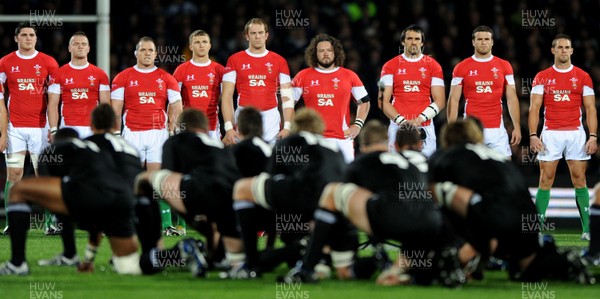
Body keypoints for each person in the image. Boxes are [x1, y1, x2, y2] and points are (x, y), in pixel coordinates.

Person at [282, 119, 465, 287]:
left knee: (332, 192)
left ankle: (308, 268)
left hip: (393, 217)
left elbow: (343, 212)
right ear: (388, 144)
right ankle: (411, 269)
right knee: (415, 238)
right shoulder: (409, 162)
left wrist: (336, 249)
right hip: (431, 221)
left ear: (362, 146)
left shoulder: (362, 162)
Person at [428, 119, 594, 284]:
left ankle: (458, 258)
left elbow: (431, 192)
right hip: (527, 217)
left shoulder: (446, 156)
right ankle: (563, 264)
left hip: (493, 218)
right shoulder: (496, 156)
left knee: (437, 191)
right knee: (528, 268)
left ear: (447, 139)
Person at [0, 128, 141, 275]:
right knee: (129, 266)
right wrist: (88, 259)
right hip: (122, 201)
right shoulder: (94, 149)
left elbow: (52, 190)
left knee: (18, 191)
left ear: (58, 140)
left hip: (88, 197)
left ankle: (18, 263)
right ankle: (158, 257)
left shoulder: (54, 150)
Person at [231, 108, 346, 278]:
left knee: (243, 188)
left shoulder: (292, 141)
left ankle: (251, 264)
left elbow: (271, 179)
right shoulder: (334, 147)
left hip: (302, 195)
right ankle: (317, 256)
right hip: (334, 204)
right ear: (320, 126)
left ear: (296, 126)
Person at [133, 108, 245, 274]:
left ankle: (154, 250)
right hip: (232, 202)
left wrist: (191, 216)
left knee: (143, 181)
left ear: (181, 126)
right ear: (206, 128)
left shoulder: (176, 141)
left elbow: (169, 176)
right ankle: (202, 253)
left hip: (196, 190)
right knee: (220, 257)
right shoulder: (221, 147)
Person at [111, 36, 184, 236]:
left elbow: (177, 106)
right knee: (129, 180)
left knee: (157, 180)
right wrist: (116, 134)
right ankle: (126, 221)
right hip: (132, 133)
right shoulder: (122, 77)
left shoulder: (166, 78)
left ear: (155, 53)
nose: (147, 53)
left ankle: (166, 224)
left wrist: (172, 128)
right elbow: (116, 109)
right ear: (136, 53)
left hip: (157, 134)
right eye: (143, 50)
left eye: (150, 50)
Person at [528, 33, 597, 241]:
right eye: (560, 47)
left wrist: (593, 136)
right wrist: (532, 134)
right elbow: (534, 108)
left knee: (580, 179)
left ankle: (587, 230)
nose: (564, 51)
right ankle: (538, 230)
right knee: (545, 180)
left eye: (567, 47)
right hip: (551, 132)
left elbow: (590, 109)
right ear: (553, 50)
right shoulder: (542, 76)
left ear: (572, 51)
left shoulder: (583, 76)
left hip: (576, 132)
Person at [0, 22, 59, 235]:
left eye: (31, 35)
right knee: (14, 174)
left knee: (42, 175)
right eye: (24, 35)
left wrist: (53, 129)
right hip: (15, 128)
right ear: (16, 38)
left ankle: (50, 223)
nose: (28, 38)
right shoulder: (5, 63)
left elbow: (54, 101)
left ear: (36, 38)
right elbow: (0, 101)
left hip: (40, 129)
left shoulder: (49, 63)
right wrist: (3, 132)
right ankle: (11, 223)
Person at [291, 33, 371, 163]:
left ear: (336, 52)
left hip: (342, 139)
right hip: (313, 138)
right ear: (314, 53)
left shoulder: (349, 75)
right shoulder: (303, 76)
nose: (325, 53)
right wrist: (291, 127)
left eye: (329, 50)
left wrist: (357, 125)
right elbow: (287, 103)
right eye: (321, 51)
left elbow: (365, 102)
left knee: (344, 178)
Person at [447, 25, 521, 158]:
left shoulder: (504, 66)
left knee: (503, 170)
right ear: (473, 42)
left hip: (497, 131)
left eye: (487, 39)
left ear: (492, 42)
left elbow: (511, 98)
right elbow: (453, 99)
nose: (483, 42)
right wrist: (452, 129)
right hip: (471, 129)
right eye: (479, 39)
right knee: (470, 171)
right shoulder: (461, 67)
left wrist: (517, 126)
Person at [221, 18, 294, 145]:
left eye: (260, 33)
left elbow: (287, 97)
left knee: (269, 160)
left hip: (271, 118)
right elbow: (226, 96)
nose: (257, 36)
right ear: (247, 36)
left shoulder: (280, 61)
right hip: (244, 117)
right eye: (253, 33)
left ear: (266, 35)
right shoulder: (234, 60)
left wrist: (287, 126)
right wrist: (228, 128)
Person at [380, 24, 445, 157]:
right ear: (403, 41)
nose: (413, 42)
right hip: (397, 126)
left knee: (425, 167)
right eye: (409, 38)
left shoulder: (434, 66)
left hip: (424, 126)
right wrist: (404, 123)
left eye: (417, 39)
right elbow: (382, 101)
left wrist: (418, 120)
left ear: (422, 43)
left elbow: (440, 101)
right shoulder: (389, 66)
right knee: (397, 167)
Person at [47, 31, 110, 141]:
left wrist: (105, 129)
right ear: (69, 48)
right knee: (70, 158)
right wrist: (53, 130)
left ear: (88, 48)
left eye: (84, 44)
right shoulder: (58, 74)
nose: (80, 46)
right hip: (68, 126)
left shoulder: (100, 74)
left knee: (91, 159)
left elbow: (105, 105)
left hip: (92, 127)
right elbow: (52, 104)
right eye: (76, 44)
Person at [173, 29, 225, 140]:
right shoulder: (181, 70)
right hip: (188, 126)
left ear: (210, 46)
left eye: (204, 42)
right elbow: (174, 101)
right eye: (197, 42)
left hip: (212, 128)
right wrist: (176, 124)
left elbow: (227, 99)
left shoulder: (219, 70)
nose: (201, 45)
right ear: (191, 46)